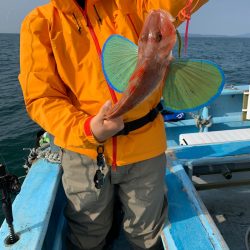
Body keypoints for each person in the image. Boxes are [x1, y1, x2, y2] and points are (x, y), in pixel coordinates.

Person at [19, 0, 206, 249]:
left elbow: (175, 4)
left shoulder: (136, 5)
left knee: (146, 233)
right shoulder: (40, 22)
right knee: (88, 230)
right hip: (83, 152)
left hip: (145, 147)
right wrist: (87, 130)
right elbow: (41, 97)